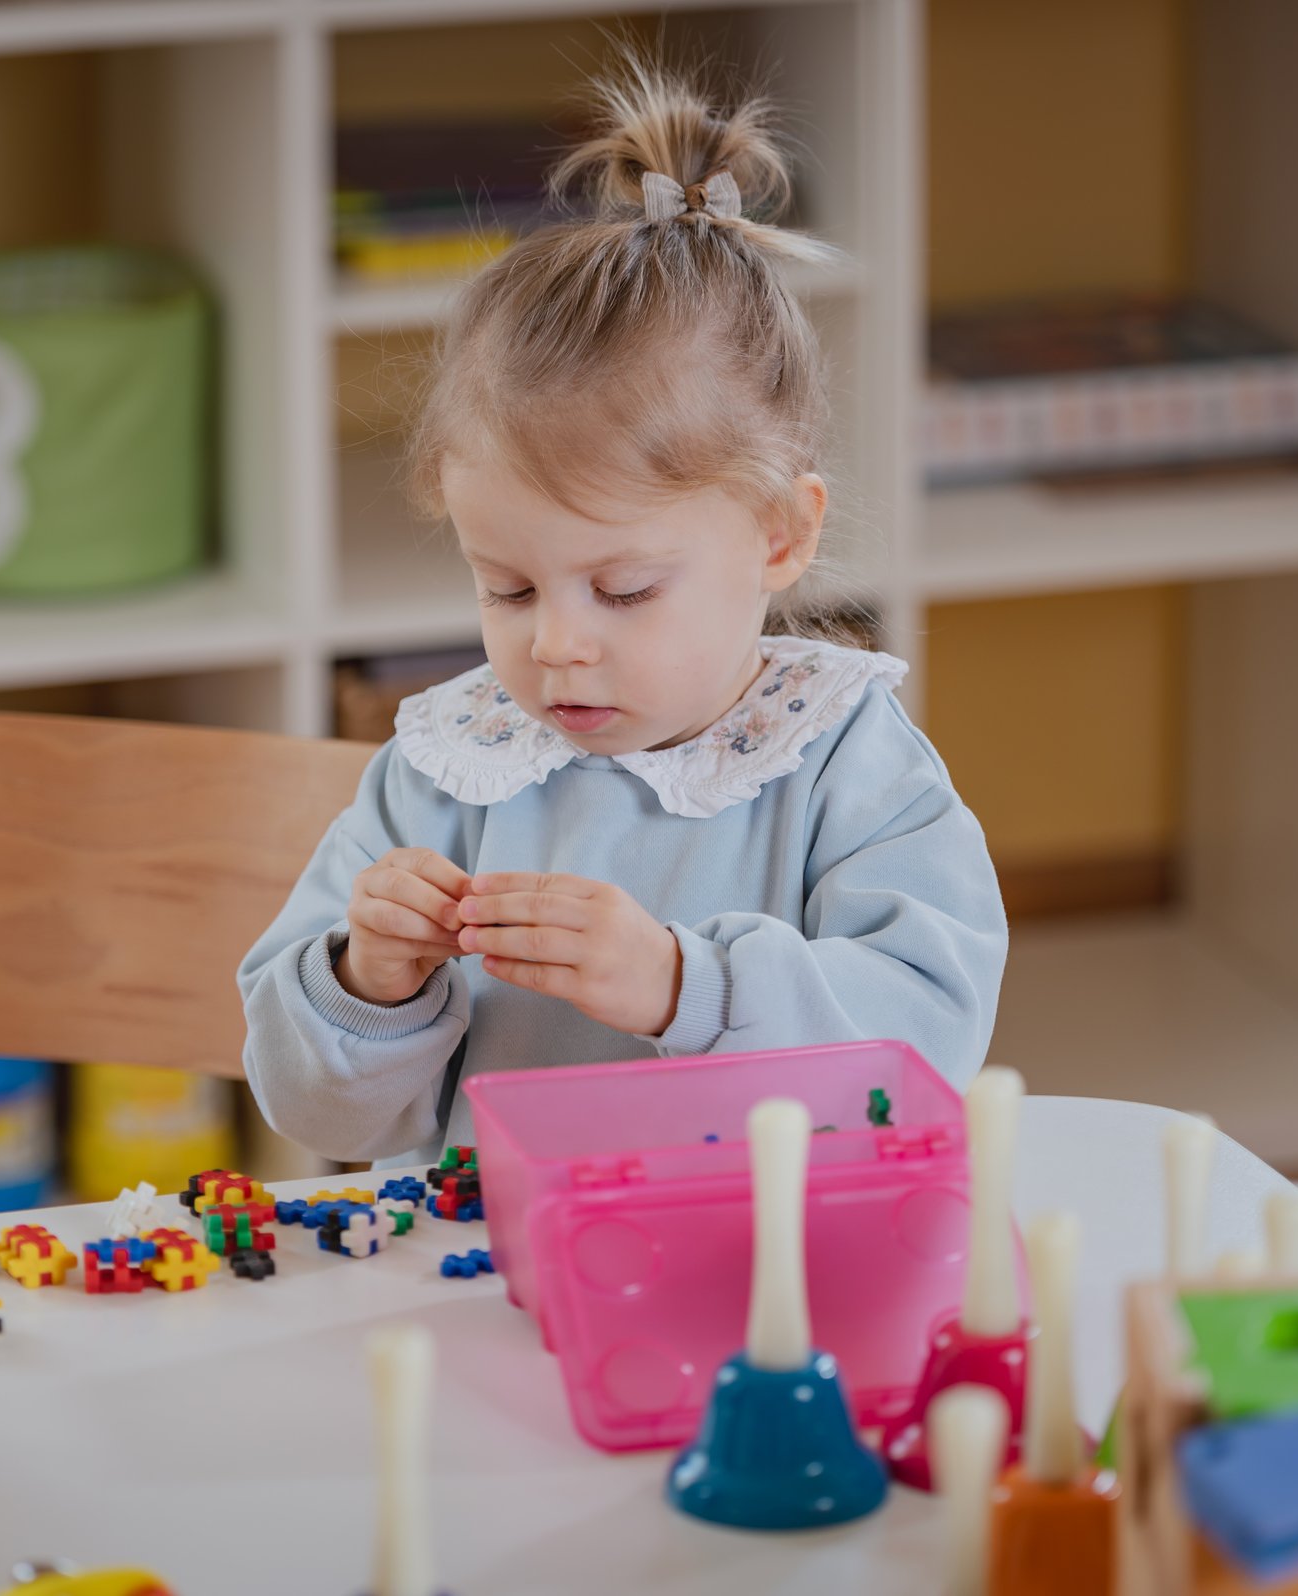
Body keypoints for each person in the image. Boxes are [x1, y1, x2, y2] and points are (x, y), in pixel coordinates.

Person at [240, 59, 1007, 1163]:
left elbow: (924, 1061)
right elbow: (318, 1118)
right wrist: (367, 983)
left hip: (768, 1279)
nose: (555, 644)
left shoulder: (849, 767)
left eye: (626, 589)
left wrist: (685, 987)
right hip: (483, 1276)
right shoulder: (447, 772)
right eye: (506, 588)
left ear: (779, 537)